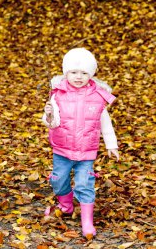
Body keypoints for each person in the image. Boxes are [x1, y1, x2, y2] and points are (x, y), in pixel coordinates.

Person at [42, 48, 119, 238]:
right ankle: (66, 204)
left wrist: (111, 145)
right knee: (59, 181)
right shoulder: (57, 95)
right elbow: (51, 123)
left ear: (91, 74)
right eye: (74, 72)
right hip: (62, 149)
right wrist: (49, 114)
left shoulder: (97, 96)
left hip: (87, 151)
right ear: (66, 72)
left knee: (85, 183)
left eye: (84, 73)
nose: (78, 77)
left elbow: (105, 123)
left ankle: (87, 221)